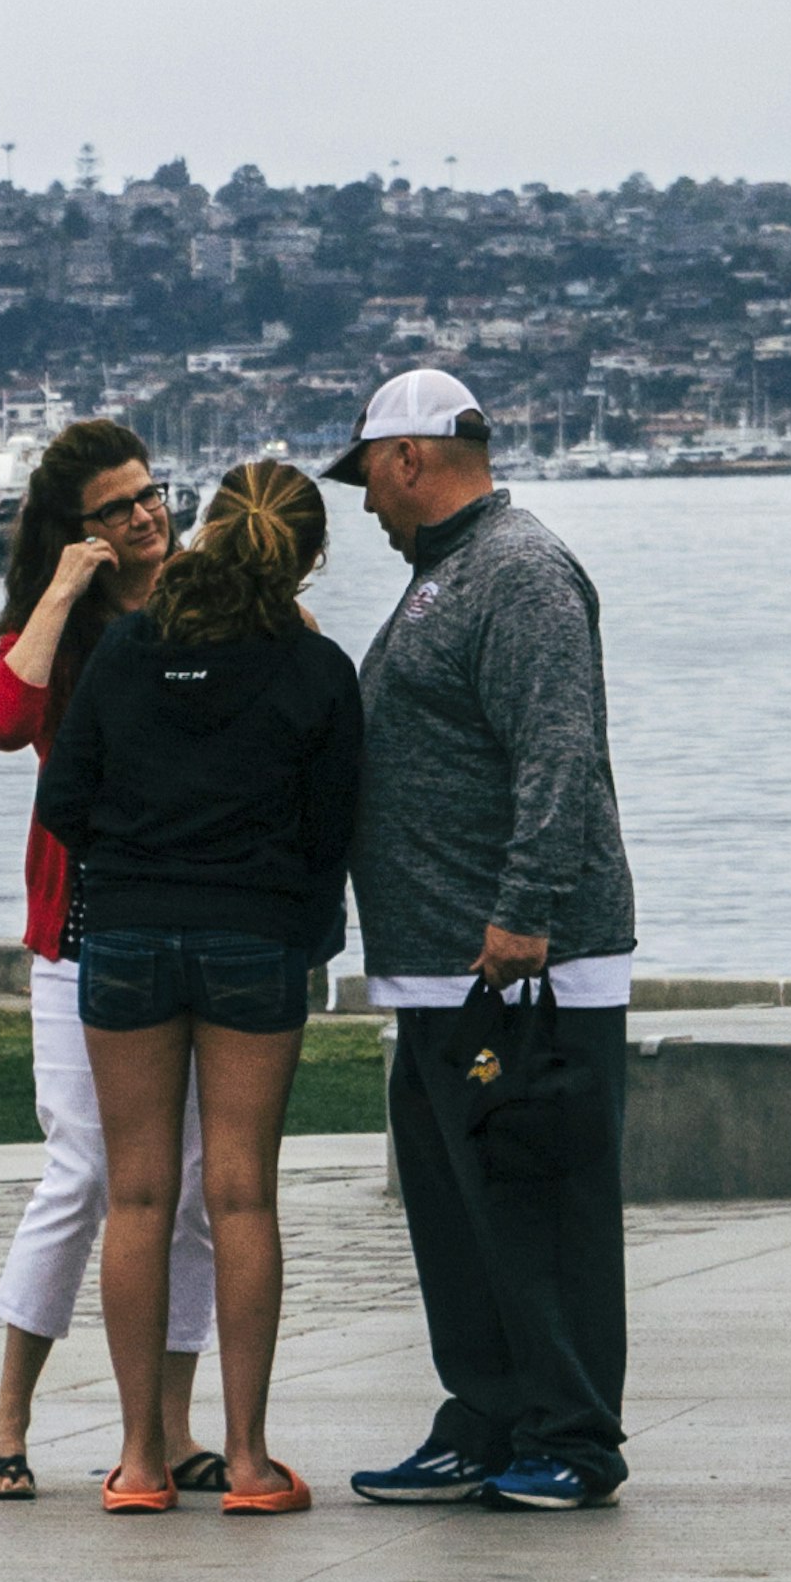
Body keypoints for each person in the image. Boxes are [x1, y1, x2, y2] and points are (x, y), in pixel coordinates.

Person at [336, 366, 642, 1513]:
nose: (361, 499)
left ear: (410, 455)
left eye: (366, 469)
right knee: (457, 1214)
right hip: (438, 968)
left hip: (519, 967)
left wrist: (524, 911)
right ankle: (485, 1414)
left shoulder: (519, 571)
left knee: (536, 1200)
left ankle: (571, 1433)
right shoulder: (447, 574)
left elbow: (556, 751)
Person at [38, 454, 360, 1516]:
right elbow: (334, 831)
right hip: (254, 938)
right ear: (306, 558)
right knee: (240, 1194)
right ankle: (251, 1460)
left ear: (207, 533)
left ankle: (138, 1461)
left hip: (127, 934)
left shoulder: (127, 649)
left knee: (135, 1193)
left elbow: (66, 799)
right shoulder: (317, 673)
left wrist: (135, 859)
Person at [0, 417, 220, 1499]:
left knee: (200, 1184)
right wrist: (63, 592)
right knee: (83, 1171)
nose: (147, 515)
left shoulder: (203, 605)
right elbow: (0, 716)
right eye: (117, 507)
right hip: (79, 932)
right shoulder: (60, 631)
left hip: (194, 919)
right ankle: (9, 1416)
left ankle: (168, 1422)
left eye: (151, 493)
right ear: (78, 530)